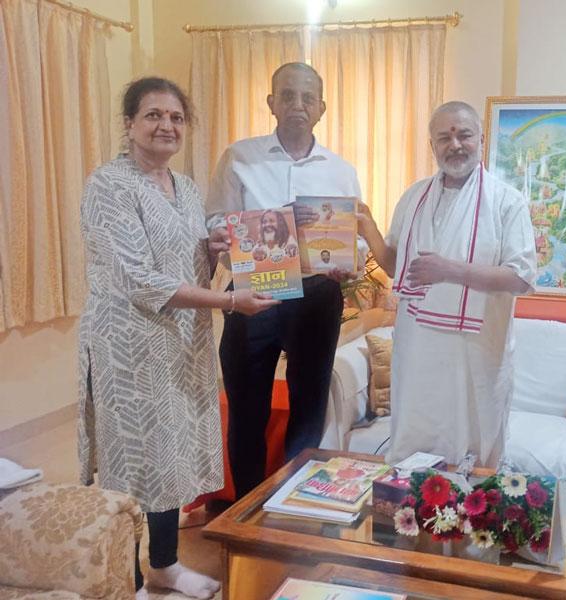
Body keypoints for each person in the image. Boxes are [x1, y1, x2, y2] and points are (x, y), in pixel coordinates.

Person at [78, 77, 278, 600]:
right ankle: (129, 580)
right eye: (153, 115)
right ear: (129, 124)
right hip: (130, 348)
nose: (166, 126)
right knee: (133, 462)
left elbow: (192, 268)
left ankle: (164, 567)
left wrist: (214, 249)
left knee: (169, 459)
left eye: (176, 117)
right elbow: (140, 280)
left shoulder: (185, 187)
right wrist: (234, 303)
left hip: (181, 344)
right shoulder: (109, 185)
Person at [207, 62, 363, 500]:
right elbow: (215, 220)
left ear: (322, 108)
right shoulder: (239, 157)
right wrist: (239, 232)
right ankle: (249, 510)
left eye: (307, 97)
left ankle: (294, 505)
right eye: (288, 95)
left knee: (309, 409)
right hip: (253, 293)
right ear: (271, 102)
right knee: (246, 410)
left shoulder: (341, 170)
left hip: (317, 296)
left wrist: (348, 261)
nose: (298, 105)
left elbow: (354, 236)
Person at [357, 101, 537, 468]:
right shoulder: (414, 197)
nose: (455, 144)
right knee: (416, 442)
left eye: (464, 134)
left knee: (476, 450)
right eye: (444, 137)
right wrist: (368, 226)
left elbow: (520, 276)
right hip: (418, 348)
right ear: (432, 146)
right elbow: (398, 267)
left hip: (476, 351)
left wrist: (449, 271)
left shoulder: (506, 201)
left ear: (481, 140)